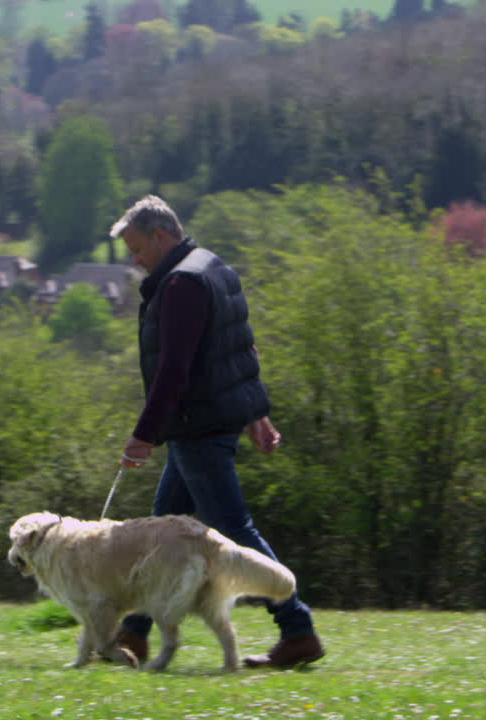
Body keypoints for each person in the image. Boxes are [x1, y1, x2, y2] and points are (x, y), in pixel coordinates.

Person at [109, 195, 325, 669]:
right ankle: (132, 636)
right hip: (208, 419)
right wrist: (256, 413)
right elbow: (238, 351)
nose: (135, 259)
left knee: (233, 528)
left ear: (161, 236)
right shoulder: (210, 266)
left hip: (196, 424)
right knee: (161, 526)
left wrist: (145, 433)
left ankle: (298, 628)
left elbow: (175, 369)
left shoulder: (183, 283)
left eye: (137, 247)